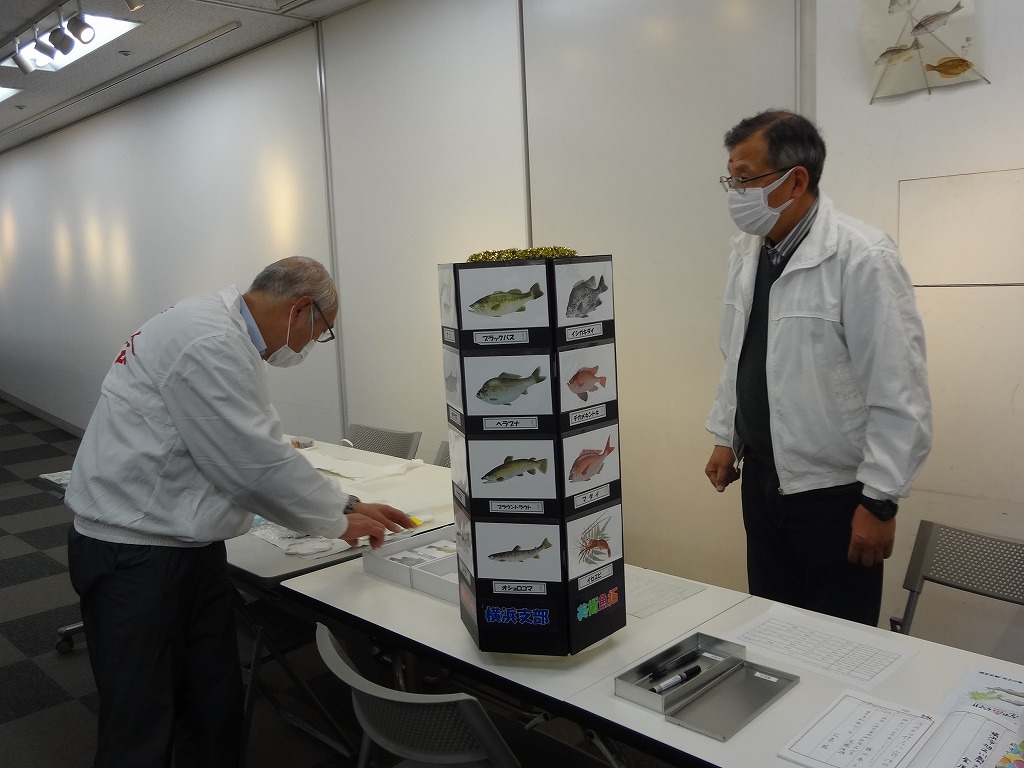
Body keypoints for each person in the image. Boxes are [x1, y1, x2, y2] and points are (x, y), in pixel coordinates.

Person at [65, 256, 415, 768]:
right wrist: (338, 522)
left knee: (212, 698)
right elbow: (251, 464)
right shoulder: (210, 341)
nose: (310, 345)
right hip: (137, 552)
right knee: (140, 719)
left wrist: (347, 502)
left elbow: (251, 447)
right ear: (300, 308)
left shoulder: (208, 324)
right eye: (320, 332)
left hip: (181, 545)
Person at [704, 110, 932, 627]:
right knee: (772, 628)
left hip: (836, 495)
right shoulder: (747, 251)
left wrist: (880, 502)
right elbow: (738, 354)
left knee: (837, 645)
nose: (735, 193)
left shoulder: (862, 256)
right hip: (762, 480)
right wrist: (726, 436)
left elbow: (900, 390)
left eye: (745, 178)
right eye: (731, 179)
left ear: (795, 181)